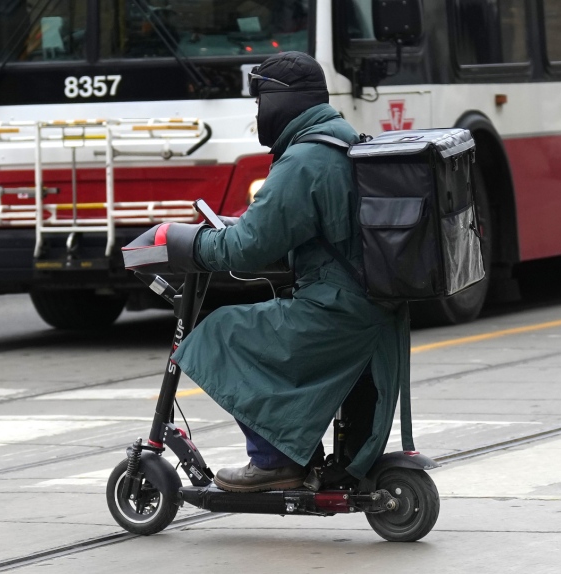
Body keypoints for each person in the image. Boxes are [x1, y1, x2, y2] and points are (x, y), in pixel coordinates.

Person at [144, 51, 411, 492]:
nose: (257, 113)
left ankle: (274, 461)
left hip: (335, 311)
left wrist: (184, 241)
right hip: (367, 306)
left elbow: (247, 249)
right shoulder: (342, 138)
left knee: (221, 332)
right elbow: (287, 228)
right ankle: (295, 451)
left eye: (258, 102)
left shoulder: (305, 160)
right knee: (258, 325)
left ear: (280, 101)